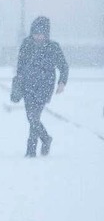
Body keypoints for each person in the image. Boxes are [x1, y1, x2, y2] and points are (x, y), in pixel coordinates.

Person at [15, 16, 68, 157]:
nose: (38, 37)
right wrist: (18, 81)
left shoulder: (53, 47)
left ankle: (31, 150)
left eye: (41, 34)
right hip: (28, 86)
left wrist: (62, 82)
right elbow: (20, 65)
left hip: (44, 87)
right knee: (31, 117)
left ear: (46, 34)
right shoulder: (26, 44)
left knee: (34, 117)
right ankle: (46, 138)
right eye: (36, 33)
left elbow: (63, 66)